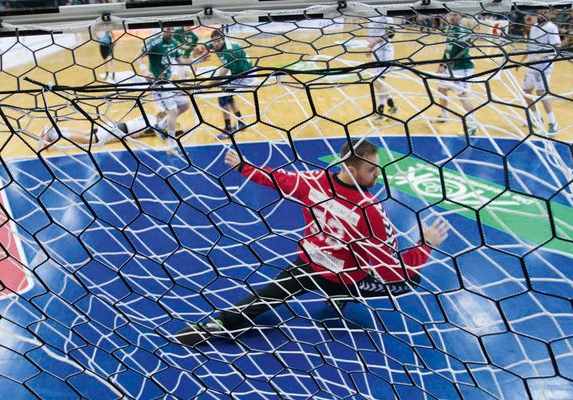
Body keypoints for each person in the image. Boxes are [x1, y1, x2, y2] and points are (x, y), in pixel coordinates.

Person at [176, 139, 451, 345]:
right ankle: (345, 294)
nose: (377, 175)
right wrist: (425, 245)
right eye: (370, 169)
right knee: (411, 280)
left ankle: (219, 325)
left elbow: (279, 180)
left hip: (307, 264)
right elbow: (392, 270)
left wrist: (244, 167)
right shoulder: (371, 209)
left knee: (266, 296)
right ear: (351, 170)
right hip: (343, 277)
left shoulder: (315, 181)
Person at [142, 27, 192, 144]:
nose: (170, 32)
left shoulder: (174, 43)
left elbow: (181, 62)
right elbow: (139, 57)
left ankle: (160, 126)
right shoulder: (154, 42)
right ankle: (172, 144)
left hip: (168, 82)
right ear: (163, 29)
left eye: (172, 29)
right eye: (168, 29)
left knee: (184, 106)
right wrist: (145, 71)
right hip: (157, 83)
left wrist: (197, 58)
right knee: (173, 112)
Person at [200, 29, 253, 138]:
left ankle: (228, 128)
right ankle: (241, 122)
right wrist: (199, 51)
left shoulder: (230, 52)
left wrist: (205, 87)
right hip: (237, 73)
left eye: (219, 41)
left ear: (223, 40)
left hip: (246, 75)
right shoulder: (216, 44)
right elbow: (204, 47)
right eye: (214, 41)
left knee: (223, 97)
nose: (216, 43)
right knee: (227, 96)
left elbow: (220, 77)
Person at [432, 13, 477, 135]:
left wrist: (447, 64)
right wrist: (442, 65)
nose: (451, 17)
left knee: (462, 95)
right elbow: (448, 49)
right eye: (450, 14)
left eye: (455, 14)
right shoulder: (450, 29)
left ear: (460, 16)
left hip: (462, 68)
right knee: (441, 89)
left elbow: (463, 49)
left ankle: (472, 125)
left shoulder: (462, 30)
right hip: (451, 67)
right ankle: (444, 115)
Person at [523, 13, 561, 134]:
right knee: (526, 91)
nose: (543, 14)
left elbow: (557, 47)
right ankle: (536, 118)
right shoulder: (534, 27)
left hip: (544, 66)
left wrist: (541, 56)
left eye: (545, 12)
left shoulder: (551, 27)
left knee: (541, 93)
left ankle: (553, 122)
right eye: (541, 11)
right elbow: (531, 46)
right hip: (531, 65)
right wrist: (523, 59)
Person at [367, 16, 399, 120]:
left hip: (384, 51)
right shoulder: (370, 12)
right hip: (376, 51)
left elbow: (391, 32)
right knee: (377, 82)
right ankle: (392, 105)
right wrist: (371, 48)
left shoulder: (385, 14)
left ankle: (380, 111)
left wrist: (373, 43)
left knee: (378, 81)